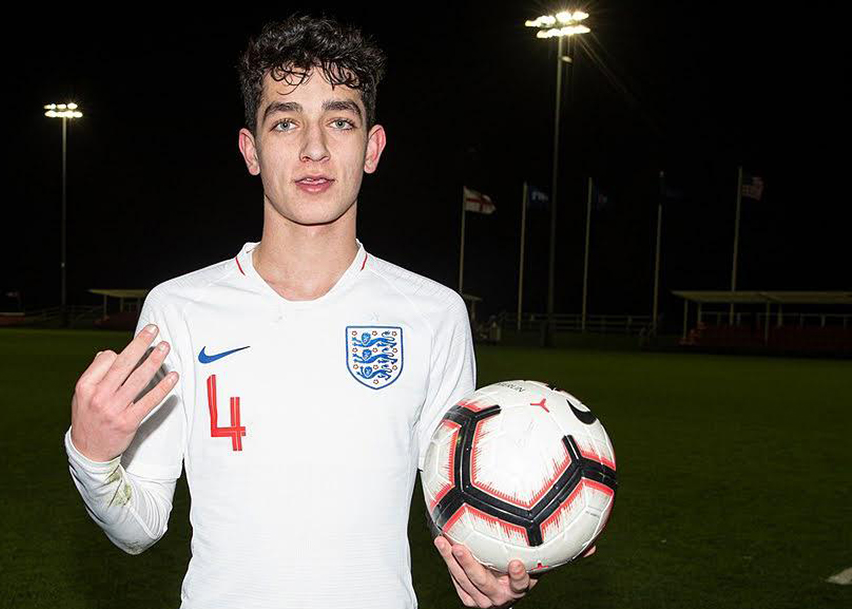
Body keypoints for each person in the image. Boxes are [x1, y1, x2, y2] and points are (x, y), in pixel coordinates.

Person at [64, 12, 577, 609]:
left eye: (339, 120)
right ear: (250, 149)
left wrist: (496, 560)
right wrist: (92, 454)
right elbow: (139, 526)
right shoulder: (179, 309)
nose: (313, 148)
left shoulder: (433, 314)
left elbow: (455, 508)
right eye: (285, 122)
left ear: (372, 147)